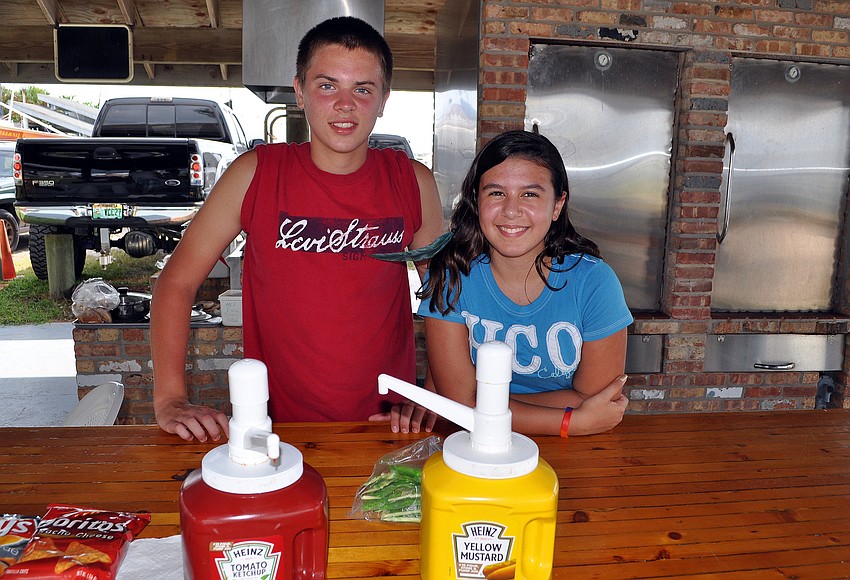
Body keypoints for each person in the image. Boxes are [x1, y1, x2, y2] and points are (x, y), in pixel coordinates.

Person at [151, 16, 444, 442]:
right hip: (276, 430)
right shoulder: (255, 174)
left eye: (363, 89)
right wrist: (170, 398)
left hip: (387, 427)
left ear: (383, 99)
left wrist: (434, 392)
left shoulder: (413, 181)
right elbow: (176, 282)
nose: (346, 104)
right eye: (328, 86)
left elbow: (444, 295)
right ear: (300, 92)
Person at [417, 130, 632, 436]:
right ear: (477, 201)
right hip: (480, 443)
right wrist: (571, 420)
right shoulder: (451, 276)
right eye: (495, 193)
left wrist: (483, 402)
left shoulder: (595, 283)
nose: (511, 210)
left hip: (575, 450)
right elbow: (460, 403)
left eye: (530, 194)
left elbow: (596, 400)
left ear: (557, 205)